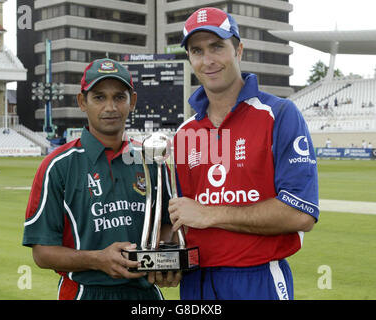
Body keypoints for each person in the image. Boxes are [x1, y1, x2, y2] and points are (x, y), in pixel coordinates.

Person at [169, 7, 319, 300]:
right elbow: (179, 220)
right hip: (195, 283)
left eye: (217, 47)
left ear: (239, 49)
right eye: (197, 51)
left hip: (257, 280)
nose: (208, 60)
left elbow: (300, 213)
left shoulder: (280, 115)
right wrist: (164, 261)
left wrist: (209, 214)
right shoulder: (184, 133)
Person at [22, 58, 179, 300]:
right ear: (82, 102)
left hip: (146, 295)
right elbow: (42, 253)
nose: (110, 107)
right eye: (99, 97)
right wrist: (98, 260)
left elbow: (168, 225)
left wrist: (165, 257)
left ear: (132, 101)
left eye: (119, 97)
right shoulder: (57, 166)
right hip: (85, 293)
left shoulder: (151, 161)